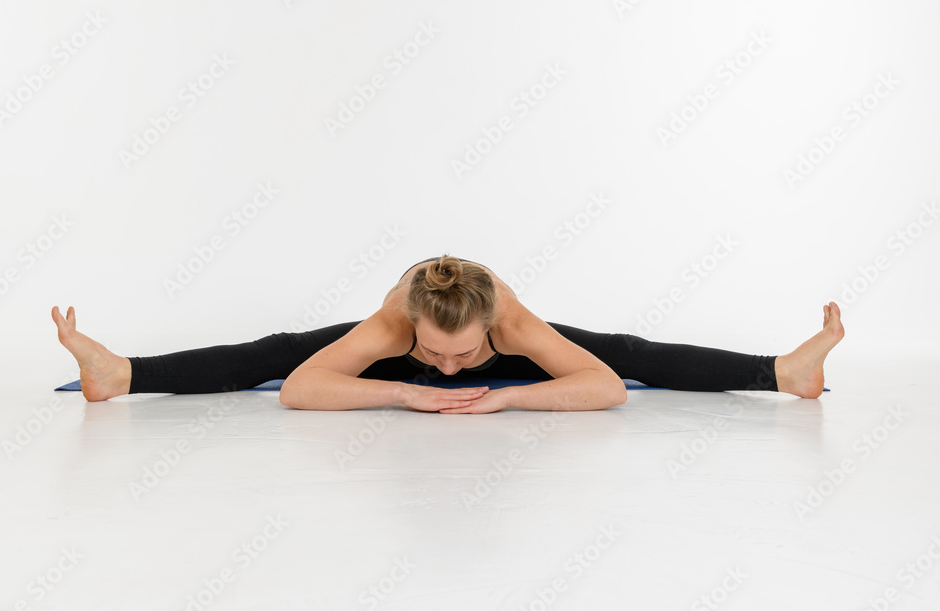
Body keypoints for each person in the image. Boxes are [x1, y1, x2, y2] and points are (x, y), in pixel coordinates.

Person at [52, 254, 844, 412]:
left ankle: (784, 371)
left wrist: (500, 395)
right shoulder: (395, 323)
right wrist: (404, 387)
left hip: (512, 369)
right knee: (280, 346)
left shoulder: (515, 323)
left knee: (629, 349)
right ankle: (120, 373)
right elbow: (295, 388)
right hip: (394, 364)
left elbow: (607, 384)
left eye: (461, 352)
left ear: (493, 326)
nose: (447, 363)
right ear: (410, 323)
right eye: (433, 348)